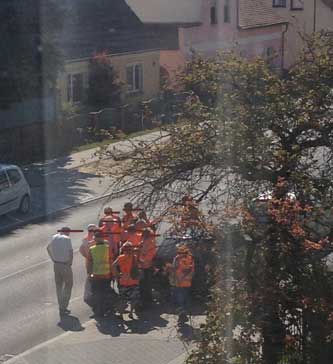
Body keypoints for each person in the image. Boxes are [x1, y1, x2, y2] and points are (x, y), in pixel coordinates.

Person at [86, 230, 114, 318]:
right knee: (105, 293)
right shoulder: (107, 247)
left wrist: (90, 274)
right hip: (106, 274)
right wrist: (113, 273)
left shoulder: (92, 249)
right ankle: (107, 310)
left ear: (95, 239)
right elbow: (111, 260)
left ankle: (98, 312)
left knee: (96, 294)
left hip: (96, 275)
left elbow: (89, 263)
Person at [47, 227, 73, 317]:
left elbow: (48, 248)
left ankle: (60, 304)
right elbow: (70, 252)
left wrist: (53, 258)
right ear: (67, 232)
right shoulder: (67, 239)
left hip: (56, 264)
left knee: (59, 285)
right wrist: (70, 263)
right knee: (68, 284)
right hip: (65, 265)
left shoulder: (54, 237)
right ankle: (64, 306)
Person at [112, 241, 140, 319]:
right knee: (133, 298)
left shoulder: (120, 258)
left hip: (123, 281)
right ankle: (131, 313)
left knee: (122, 299)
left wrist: (117, 275)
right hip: (134, 280)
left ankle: (121, 314)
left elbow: (113, 266)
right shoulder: (134, 257)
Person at [172, 244, 195, 324]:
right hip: (186, 282)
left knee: (180, 300)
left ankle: (182, 315)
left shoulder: (177, 259)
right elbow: (192, 270)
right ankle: (183, 314)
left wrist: (177, 279)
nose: (179, 254)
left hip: (180, 282)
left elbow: (174, 269)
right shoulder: (190, 258)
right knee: (184, 299)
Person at [138, 228, 157, 307]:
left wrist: (141, 260)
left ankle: (146, 301)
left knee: (145, 284)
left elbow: (149, 255)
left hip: (145, 266)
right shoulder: (146, 242)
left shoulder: (149, 242)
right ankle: (146, 300)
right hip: (145, 266)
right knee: (145, 284)